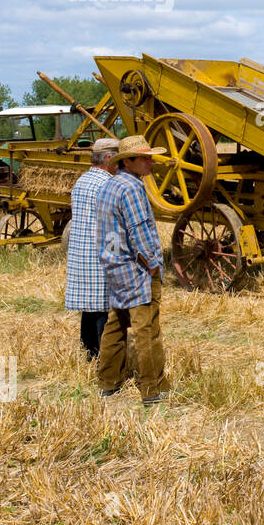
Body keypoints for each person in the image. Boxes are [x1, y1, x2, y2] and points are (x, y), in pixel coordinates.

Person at [95, 135, 170, 407]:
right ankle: (152, 389)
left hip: (115, 268)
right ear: (128, 161)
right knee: (146, 329)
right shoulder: (133, 189)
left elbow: (109, 232)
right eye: (145, 158)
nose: (151, 162)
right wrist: (152, 265)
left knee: (115, 326)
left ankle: (107, 382)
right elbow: (139, 232)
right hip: (137, 271)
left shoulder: (110, 186)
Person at [64, 137, 120, 360]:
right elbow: (111, 227)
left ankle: (89, 354)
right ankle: (104, 361)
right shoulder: (107, 184)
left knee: (89, 308)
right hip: (100, 256)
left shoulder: (82, 181)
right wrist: (117, 258)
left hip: (81, 255)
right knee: (102, 311)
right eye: (118, 159)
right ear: (108, 158)